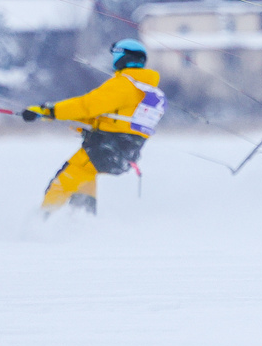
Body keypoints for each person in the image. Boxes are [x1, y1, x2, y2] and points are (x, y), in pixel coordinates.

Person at [23, 38, 165, 215]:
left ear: (124, 57)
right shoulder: (149, 90)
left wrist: (50, 110)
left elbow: (87, 105)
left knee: (62, 182)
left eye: (116, 54)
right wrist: (49, 115)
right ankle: (82, 223)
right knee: (85, 179)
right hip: (123, 154)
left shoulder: (124, 84)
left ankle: (40, 223)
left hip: (102, 148)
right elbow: (112, 119)